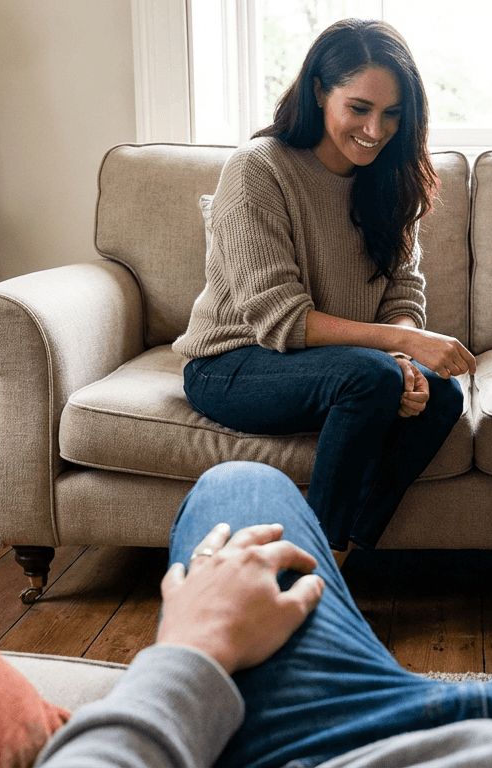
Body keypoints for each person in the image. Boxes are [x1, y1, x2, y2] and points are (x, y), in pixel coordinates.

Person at [34, 460, 492, 768]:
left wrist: (190, 650)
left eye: (388, 116)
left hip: (318, 750)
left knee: (241, 483)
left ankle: (346, 583)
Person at [171, 19, 476, 568]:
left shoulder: (391, 179)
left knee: (442, 398)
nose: (375, 129)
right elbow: (279, 319)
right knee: (371, 375)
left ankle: (345, 550)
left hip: (341, 365)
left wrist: (406, 355)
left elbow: (402, 297)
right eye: (358, 108)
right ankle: (315, 564)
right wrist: (398, 352)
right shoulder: (257, 168)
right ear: (318, 91)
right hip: (233, 363)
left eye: (391, 114)